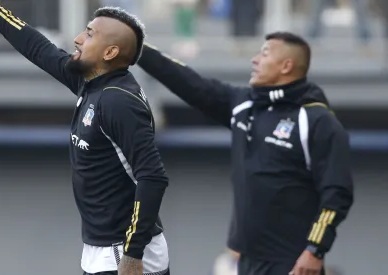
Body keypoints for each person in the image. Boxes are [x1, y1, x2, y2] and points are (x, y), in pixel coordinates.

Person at [0, 1, 170, 275]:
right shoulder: (93, 82)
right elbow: (39, 48)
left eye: (89, 34)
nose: (77, 38)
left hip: (122, 253)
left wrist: (132, 254)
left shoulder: (118, 102)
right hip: (103, 249)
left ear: (110, 52)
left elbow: (152, 177)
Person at [137, 32, 354, 275]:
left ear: (286, 66)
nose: (254, 60)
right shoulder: (245, 104)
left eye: (264, 53)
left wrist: (315, 250)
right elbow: (190, 83)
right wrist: (137, 48)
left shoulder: (317, 121)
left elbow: (337, 193)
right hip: (246, 262)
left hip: (293, 264)